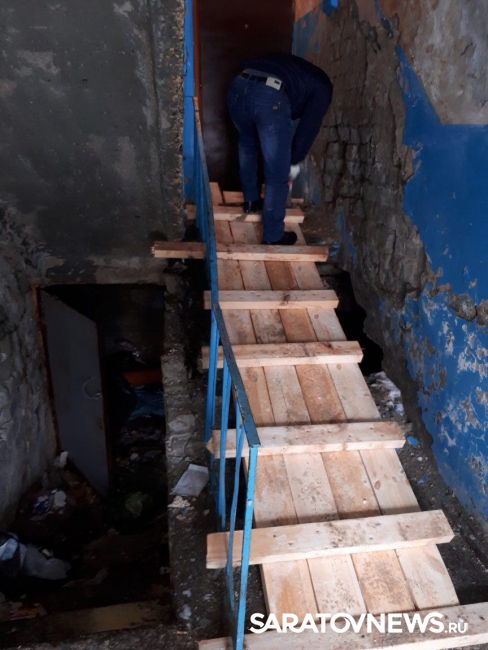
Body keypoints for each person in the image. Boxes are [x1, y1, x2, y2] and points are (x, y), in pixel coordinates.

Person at [228, 53, 332, 245]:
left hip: (238, 86)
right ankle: (274, 236)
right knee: (277, 172)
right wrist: (293, 161)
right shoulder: (323, 89)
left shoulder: (299, 74)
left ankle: (250, 201)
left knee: (247, 145)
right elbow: (308, 128)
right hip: (268, 93)